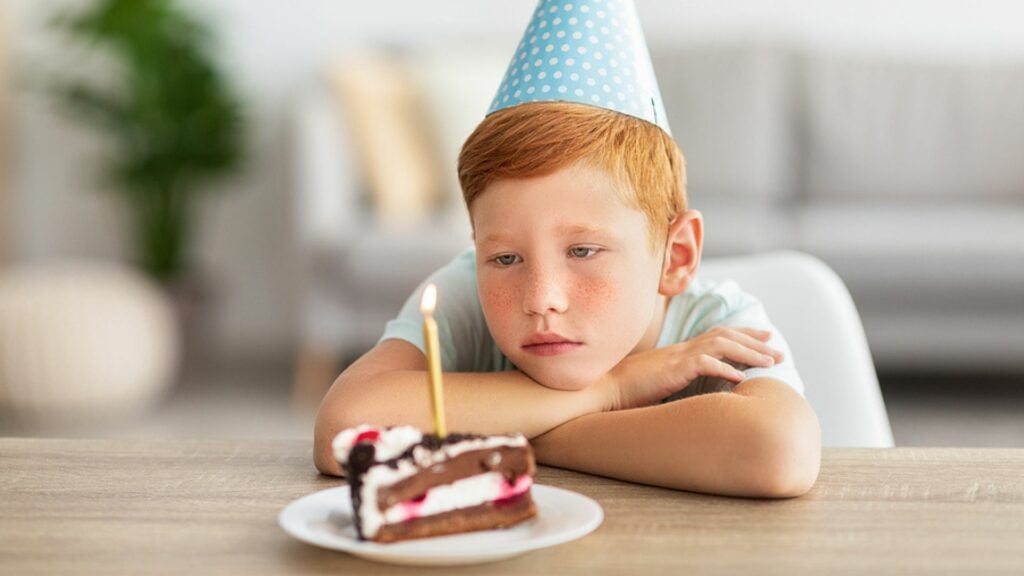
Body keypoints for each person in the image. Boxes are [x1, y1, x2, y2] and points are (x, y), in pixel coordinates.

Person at [314, 0, 820, 497]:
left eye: (582, 251)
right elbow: (341, 431)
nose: (542, 298)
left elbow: (780, 451)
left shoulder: (718, 328)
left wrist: (529, 431)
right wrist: (610, 389)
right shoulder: (463, 292)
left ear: (677, 255)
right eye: (505, 258)